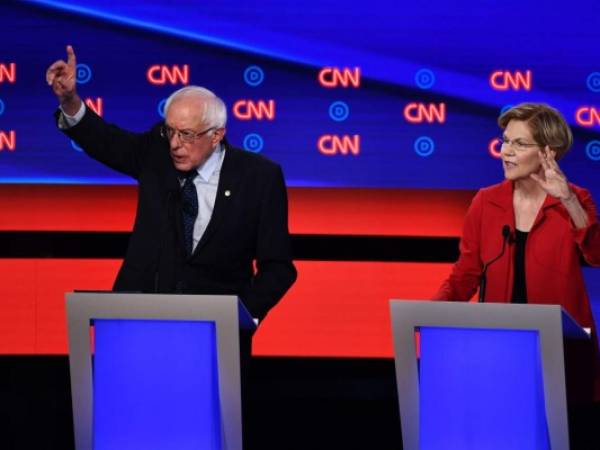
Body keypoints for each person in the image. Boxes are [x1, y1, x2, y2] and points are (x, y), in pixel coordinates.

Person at [46, 45, 297, 322]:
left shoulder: (259, 177)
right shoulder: (157, 151)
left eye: (187, 134)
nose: (175, 144)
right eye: (171, 131)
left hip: (216, 334)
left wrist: (241, 317)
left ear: (216, 136)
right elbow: (107, 142)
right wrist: (70, 101)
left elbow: (278, 268)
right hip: (140, 320)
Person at [434, 102, 600, 400]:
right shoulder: (486, 202)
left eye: (519, 143)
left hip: (562, 346)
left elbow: (596, 255)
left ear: (548, 152)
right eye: (505, 141)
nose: (505, 151)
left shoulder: (575, 200)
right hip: (501, 346)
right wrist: (428, 313)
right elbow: (465, 275)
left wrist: (568, 200)